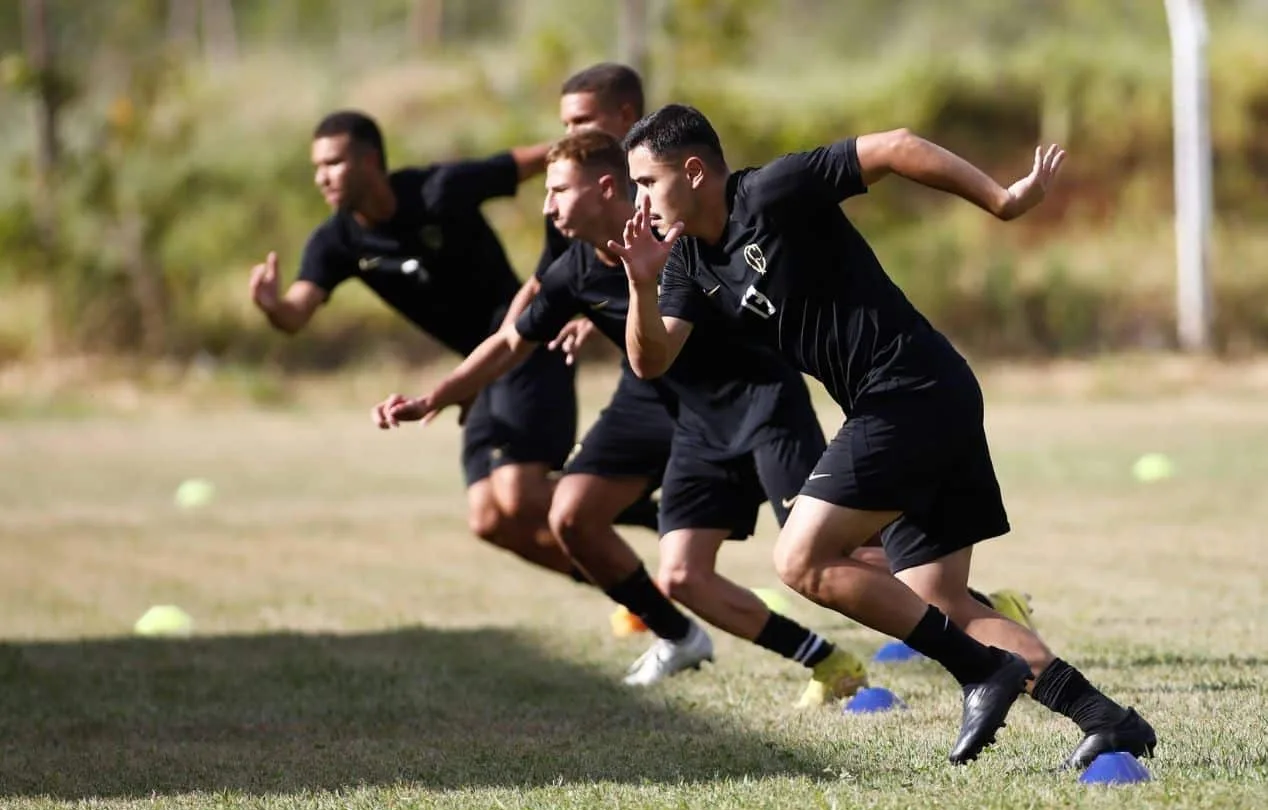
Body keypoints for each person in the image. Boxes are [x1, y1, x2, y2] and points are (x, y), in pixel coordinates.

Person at [611, 103, 1156, 769]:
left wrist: (1001, 200)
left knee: (800, 560)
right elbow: (651, 360)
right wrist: (640, 283)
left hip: (911, 392)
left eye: (645, 182)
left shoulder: (771, 191)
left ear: (693, 172)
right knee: (941, 598)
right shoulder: (687, 263)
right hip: (921, 398)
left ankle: (982, 673)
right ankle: (1106, 719)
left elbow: (896, 147)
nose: (639, 200)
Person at [373, 130, 874, 706]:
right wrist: (436, 396)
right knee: (682, 576)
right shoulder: (575, 271)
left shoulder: (679, 233)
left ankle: (968, 627)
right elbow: (512, 342)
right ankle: (831, 663)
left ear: (605, 187)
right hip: (698, 426)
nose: (547, 205)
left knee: (831, 562)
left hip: (766, 406)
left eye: (558, 189)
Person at [248, 110, 582, 581]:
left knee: (519, 495)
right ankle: (639, 596)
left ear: (369, 161)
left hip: (525, 342)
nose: (322, 178)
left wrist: (604, 145)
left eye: (333, 164)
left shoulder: (439, 189)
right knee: (488, 519)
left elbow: (536, 160)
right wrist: (271, 307)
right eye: (317, 168)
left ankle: (632, 494)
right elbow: (296, 315)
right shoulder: (336, 241)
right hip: (477, 371)